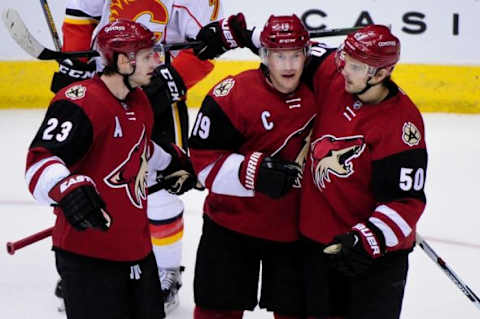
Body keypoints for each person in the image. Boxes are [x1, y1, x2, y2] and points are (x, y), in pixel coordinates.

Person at [49, 0, 246, 311]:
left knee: (157, 189)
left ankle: (166, 270)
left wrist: (168, 82)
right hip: (102, 87)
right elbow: (81, 16)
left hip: (155, 91)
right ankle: (87, 266)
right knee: (85, 178)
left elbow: (204, 46)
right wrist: (75, 64)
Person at [24, 19, 192, 319]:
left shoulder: (139, 100)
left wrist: (172, 161)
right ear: (123, 61)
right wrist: (68, 188)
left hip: (138, 250)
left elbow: (137, 148)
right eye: (146, 55)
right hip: (88, 255)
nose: (156, 60)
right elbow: (39, 164)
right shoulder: (82, 102)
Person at [188, 14, 316, 319]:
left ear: (306, 55)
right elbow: (203, 163)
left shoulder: (321, 89)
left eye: (296, 55)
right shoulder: (232, 94)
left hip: (294, 229)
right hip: (231, 226)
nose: (288, 66)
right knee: (216, 309)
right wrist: (253, 173)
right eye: (279, 56)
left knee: (296, 311)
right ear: (264, 55)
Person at [297, 25, 428, 318]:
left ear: (381, 74)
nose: (344, 69)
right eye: (345, 59)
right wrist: (241, 34)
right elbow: (290, 47)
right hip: (319, 245)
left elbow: (405, 202)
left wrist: (368, 238)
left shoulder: (401, 125)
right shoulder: (336, 72)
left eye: (355, 66)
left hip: (373, 258)